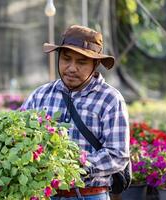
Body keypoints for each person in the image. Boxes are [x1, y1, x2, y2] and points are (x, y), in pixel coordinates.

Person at [21, 25, 130, 200]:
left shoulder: (110, 100)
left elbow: (118, 154)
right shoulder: (40, 95)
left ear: (95, 64)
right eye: (66, 59)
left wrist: (76, 167)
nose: (72, 68)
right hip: (46, 194)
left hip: (90, 194)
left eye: (81, 62)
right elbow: (19, 134)